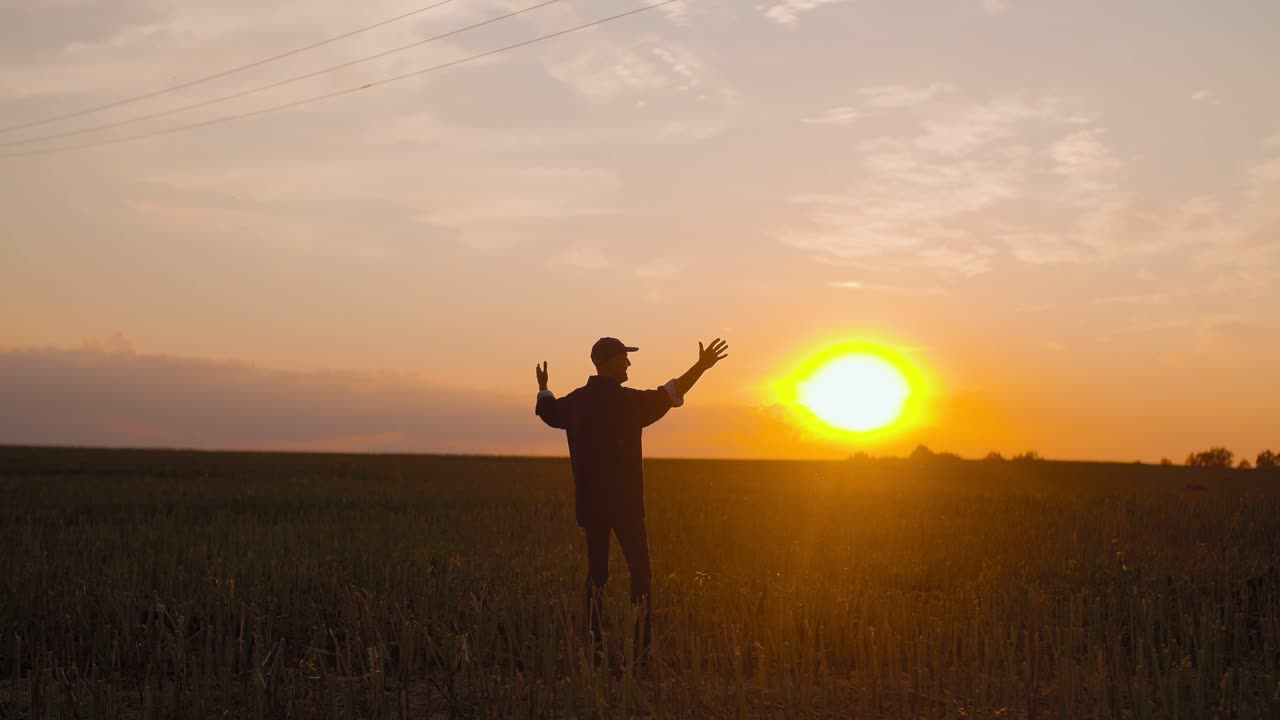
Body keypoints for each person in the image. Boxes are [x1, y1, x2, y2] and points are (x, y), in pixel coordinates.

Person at [534, 336, 729, 662]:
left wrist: (543, 386)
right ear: (608, 361)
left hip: (591, 506)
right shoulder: (628, 403)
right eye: (624, 358)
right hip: (626, 506)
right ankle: (641, 649)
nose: (628, 364)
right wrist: (701, 367)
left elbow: (548, 411)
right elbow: (672, 391)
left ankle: (594, 649)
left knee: (596, 575)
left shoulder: (576, 403)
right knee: (640, 572)